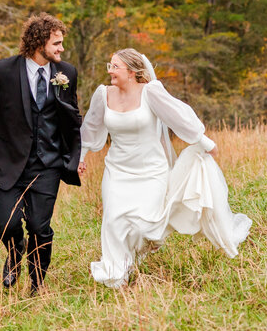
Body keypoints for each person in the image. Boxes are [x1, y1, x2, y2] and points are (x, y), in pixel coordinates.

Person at [79, 48, 252, 288]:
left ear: (131, 72)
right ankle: (117, 275)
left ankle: (138, 252)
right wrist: (81, 156)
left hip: (151, 170)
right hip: (117, 170)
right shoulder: (103, 94)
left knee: (145, 225)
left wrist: (206, 143)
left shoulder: (150, 92)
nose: (110, 70)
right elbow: (90, 127)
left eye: (115, 66)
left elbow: (178, 117)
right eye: (109, 65)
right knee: (113, 221)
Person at [0, 13, 82, 294]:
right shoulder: (3, 71)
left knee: (40, 226)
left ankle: (37, 283)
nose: (61, 49)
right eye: (57, 43)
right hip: (5, 163)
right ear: (39, 42)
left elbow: (72, 119)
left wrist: (76, 157)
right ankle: (15, 252)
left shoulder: (67, 74)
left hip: (48, 163)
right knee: (5, 223)